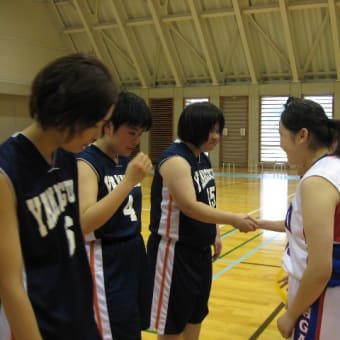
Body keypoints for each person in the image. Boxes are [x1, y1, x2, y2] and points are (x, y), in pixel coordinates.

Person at [0, 53, 118, 339]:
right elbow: (10, 284)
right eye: (98, 123)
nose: (98, 133)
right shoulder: (7, 173)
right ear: (70, 115)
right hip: (38, 324)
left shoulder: (66, 157)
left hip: (77, 314)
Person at [147, 102, 257, 340]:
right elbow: (189, 206)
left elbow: (207, 200)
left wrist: (215, 232)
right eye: (211, 130)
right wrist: (233, 219)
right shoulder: (175, 159)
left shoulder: (201, 158)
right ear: (193, 128)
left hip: (199, 253)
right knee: (172, 324)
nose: (216, 137)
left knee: (195, 315)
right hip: (173, 253)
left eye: (218, 130)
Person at [258, 97, 340, 339]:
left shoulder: (317, 181)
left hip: (323, 299)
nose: (280, 142)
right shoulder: (332, 167)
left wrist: (292, 314)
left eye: (282, 134)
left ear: (302, 136)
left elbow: (321, 268)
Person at [77, 91, 153, 340]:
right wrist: (128, 181)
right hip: (104, 259)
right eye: (131, 133)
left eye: (140, 134)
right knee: (110, 331)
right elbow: (86, 221)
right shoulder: (86, 163)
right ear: (108, 126)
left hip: (132, 253)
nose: (136, 140)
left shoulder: (124, 160)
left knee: (131, 328)